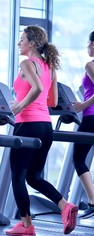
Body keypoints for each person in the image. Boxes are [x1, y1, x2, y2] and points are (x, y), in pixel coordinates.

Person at [6, 25, 78, 236]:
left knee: (18, 176)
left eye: (22, 40)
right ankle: (64, 206)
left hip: (27, 124)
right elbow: (53, 101)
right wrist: (30, 100)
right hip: (45, 127)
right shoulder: (50, 67)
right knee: (34, 177)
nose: (19, 43)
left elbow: (36, 88)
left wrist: (19, 105)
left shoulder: (26, 63)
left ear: (32, 44)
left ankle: (27, 226)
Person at [71, 31, 94, 219]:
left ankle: (93, 201)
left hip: (91, 117)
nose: (87, 47)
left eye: (88, 43)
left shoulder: (90, 65)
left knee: (78, 159)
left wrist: (82, 105)